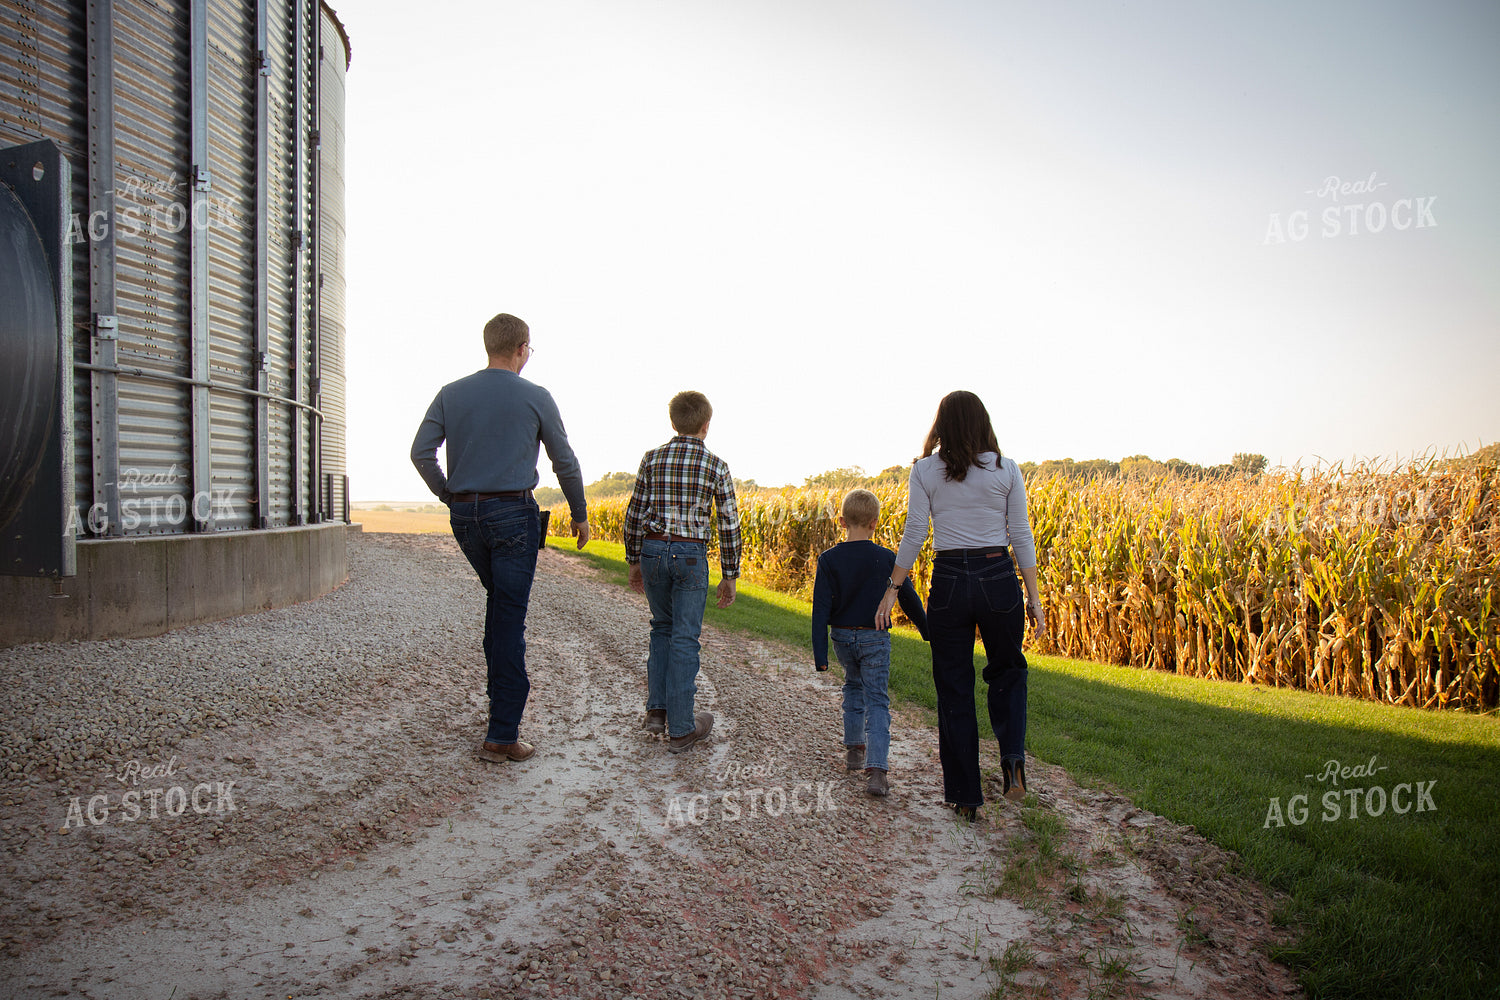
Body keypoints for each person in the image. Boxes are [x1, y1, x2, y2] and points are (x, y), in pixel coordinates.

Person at [410, 313, 590, 764]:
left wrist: (449, 494)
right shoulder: (536, 396)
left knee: (500, 609)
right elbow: (564, 461)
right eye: (530, 349)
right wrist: (581, 515)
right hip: (512, 515)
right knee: (509, 617)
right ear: (521, 348)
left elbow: (420, 452)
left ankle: (500, 711)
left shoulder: (451, 394)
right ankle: (502, 733)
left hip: (466, 517)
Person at [875, 390, 1044, 820]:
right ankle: (1012, 762)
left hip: (949, 579)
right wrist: (1034, 597)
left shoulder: (925, 471)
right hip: (998, 577)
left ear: (941, 425)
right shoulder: (1007, 470)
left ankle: (966, 796)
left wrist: (893, 589)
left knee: (953, 685)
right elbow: (1020, 534)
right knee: (1008, 670)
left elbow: (915, 532)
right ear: (983, 423)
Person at [623, 391, 741, 753]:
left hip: (655, 549)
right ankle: (683, 728)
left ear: (672, 422)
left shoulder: (652, 459)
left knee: (661, 627)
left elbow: (634, 512)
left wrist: (633, 559)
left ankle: (657, 712)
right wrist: (730, 573)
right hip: (691, 554)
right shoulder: (716, 465)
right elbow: (728, 522)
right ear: (706, 425)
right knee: (685, 637)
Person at [811, 489, 929, 797]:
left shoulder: (828, 560)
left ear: (841, 521)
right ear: (875, 523)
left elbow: (820, 608)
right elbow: (909, 598)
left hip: (841, 637)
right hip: (874, 638)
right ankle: (877, 771)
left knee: (852, 686)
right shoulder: (887, 558)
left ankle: (854, 751)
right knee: (877, 699)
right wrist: (927, 630)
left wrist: (820, 654)